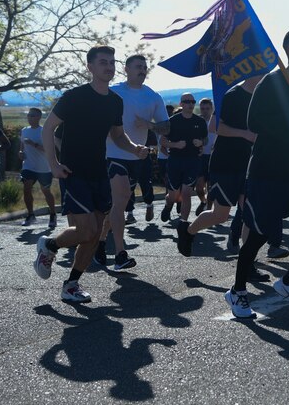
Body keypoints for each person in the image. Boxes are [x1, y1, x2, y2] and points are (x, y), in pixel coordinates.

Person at [224, 28, 289, 318]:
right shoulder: (271, 82)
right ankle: (237, 292)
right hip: (265, 171)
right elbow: (255, 122)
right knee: (258, 235)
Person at [34, 45, 149, 303]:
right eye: (103, 62)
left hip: (100, 171)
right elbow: (48, 128)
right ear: (90, 67)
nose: (108, 66)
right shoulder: (75, 96)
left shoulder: (115, 101)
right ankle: (49, 245)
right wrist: (53, 165)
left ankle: (71, 284)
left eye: (112, 62)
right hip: (73, 171)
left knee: (95, 234)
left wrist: (134, 148)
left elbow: (118, 136)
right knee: (86, 229)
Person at [177, 76, 269, 281]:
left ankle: (248, 265)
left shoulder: (265, 96)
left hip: (252, 164)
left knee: (250, 214)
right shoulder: (233, 95)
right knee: (220, 215)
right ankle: (189, 231)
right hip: (226, 163)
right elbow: (215, 128)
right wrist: (245, 134)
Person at [94, 54, 169, 268]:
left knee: (116, 204)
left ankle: (100, 243)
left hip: (137, 156)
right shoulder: (114, 91)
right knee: (121, 198)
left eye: (145, 67)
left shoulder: (153, 96)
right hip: (112, 153)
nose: (142, 70)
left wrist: (149, 125)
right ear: (126, 69)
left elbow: (166, 127)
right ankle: (120, 254)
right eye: (138, 67)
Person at [160, 93, 207, 225]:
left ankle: (183, 223)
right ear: (181, 104)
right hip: (175, 161)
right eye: (187, 102)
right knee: (174, 196)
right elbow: (162, 141)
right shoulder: (172, 121)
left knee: (186, 193)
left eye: (192, 102)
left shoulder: (200, 121)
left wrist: (201, 142)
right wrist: (175, 145)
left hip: (193, 161)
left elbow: (205, 138)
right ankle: (168, 205)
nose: (190, 104)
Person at [19, 108, 56, 228]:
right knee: (26, 188)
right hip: (28, 166)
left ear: (39, 117)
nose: (30, 118)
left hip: (44, 167)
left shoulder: (44, 131)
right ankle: (30, 215)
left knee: (46, 191)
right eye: (29, 115)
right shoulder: (24, 130)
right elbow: (22, 147)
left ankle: (53, 214)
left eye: (33, 116)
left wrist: (33, 144)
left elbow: (49, 149)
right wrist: (20, 153)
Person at [194, 98, 216, 215]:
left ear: (212, 108)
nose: (205, 111)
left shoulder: (217, 121)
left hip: (214, 157)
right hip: (200, 157)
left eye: (207, 108)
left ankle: (208, 209)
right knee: (199, 187)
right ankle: (203, 201)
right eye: (202, 108)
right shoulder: (197, 121)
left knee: (211, 186)